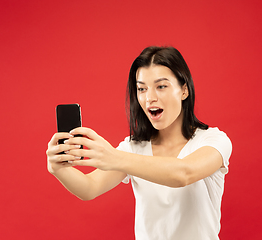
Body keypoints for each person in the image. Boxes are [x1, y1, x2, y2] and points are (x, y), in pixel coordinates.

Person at [46, 46, 232, 240]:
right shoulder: (133, 148)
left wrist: (113, 157)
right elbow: (89, 187)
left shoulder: (213, 140)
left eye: (161, 86)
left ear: (184, 90)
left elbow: (183, 173)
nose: (150, 98)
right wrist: (58, 168)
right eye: (142, 89)